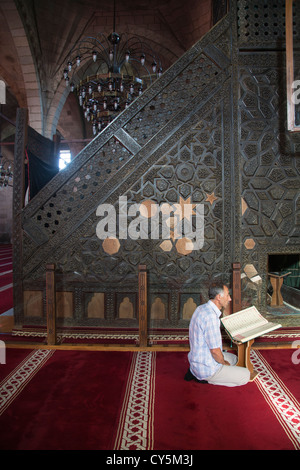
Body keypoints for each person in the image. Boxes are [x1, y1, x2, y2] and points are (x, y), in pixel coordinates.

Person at [186, 283, 250, 387]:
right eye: (227, 295)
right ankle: (204, 379)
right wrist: (224, 363)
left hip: (198, 359)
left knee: (234, 359)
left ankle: (195, 371)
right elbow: (215, 351)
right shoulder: (211, 317)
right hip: (207, 368)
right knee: (245, 375)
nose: (229, 299)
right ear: (219, 297)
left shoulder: (201, 308)